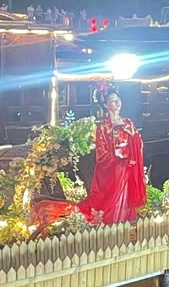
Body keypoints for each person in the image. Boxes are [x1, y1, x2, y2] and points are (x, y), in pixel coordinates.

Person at [33, 84, 146, 229]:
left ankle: (127, 223)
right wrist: (120, 162)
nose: (117, 103)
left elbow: (138, 143)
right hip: (113, 170)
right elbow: (101, 153)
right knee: (108, 200)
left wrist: (133, 138)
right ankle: (113, 224)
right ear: (105, 105)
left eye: (118, 99)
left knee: (128, 198)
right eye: (112, 100)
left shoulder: (128, 123)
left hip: (129, 166)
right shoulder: (103, 127)